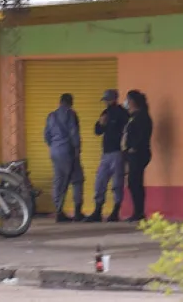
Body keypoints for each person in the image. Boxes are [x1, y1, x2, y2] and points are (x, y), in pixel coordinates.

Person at [85, 89, 129, 223]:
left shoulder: (122, 113)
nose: (106, 102)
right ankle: (97, 210)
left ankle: (115, 211)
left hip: (117, 152)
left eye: (107, 100)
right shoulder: (105, 113)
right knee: (100, 181)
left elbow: (127, 131)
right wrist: (101, 123)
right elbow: (97, 131)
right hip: (106, 153)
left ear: (113, 99)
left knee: (117, 183)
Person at [44, 93, 85, 223]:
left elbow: (46, 136)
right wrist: (77, 148)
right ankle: (77, 212)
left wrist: (55, 146)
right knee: (77, 180)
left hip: (55, 152)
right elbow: (74, 133)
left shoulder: (51, 116)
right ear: (70, 102)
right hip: (68, 151)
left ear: (60, 102)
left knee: (59, 181)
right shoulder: (70, 114)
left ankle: (59, 211)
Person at [122, 90, 153, 223]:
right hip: (131, 153)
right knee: (133, 182)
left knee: (135, 182)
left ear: (133, 101)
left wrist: (134, 147)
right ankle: (137, 211)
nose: (126, 103)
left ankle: (139, 212)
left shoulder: (142, 117)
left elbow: (142, 135)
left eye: (128, 100)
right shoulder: (133, 116)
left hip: (138, 154)